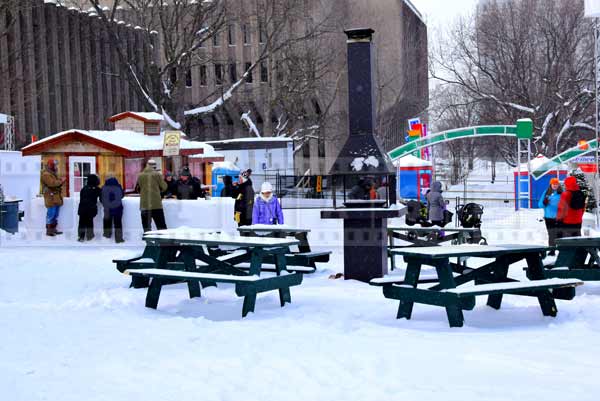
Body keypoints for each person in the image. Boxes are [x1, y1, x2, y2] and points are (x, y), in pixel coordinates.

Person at [135, 159, 168, 233]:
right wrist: (158, 192)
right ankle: (165, 244)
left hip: (144, 205)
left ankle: (149, 243)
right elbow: (164, 187)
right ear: (154, 166)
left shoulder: (140, 175)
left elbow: (138, 188)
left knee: (146, 228)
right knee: (161, 226)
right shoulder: (157, 174)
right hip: (156, 205)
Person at [41, 159, 66, 236]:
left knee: (55, 214)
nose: (56, 166)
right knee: (51, 214)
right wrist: (61, 181)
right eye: (54, 165)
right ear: (50, 165)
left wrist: (60, 181)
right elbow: (52, 184)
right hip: (50, 197)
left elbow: (56, 183)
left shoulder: (52, 173)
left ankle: (53, 229)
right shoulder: (46, 174)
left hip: (55, 197)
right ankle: (49, 230)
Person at [538, 177, 562, 255]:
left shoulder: (562, 193)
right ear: (550, 185)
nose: (555, 185)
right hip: (549, 218)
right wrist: (544, 203)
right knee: (551, 234)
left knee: (560, 234)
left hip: (559, 217)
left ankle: (561, 250)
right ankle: (552, 250)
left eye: (556, 184)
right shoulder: (546, 193)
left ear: (558, 185)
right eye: (553, 184)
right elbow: (540, 205)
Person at [77, 174, 101, 242]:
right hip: (90, 209)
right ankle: (89, 236)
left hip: (82, 208)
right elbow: (102, 196)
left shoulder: (84, 188)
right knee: (89, 222)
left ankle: (81, 237)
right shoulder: (96, 189)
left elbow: (81, 197)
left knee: (81, 223)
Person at [101, 176, 125, 243]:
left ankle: (107, 237)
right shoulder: (118, 187)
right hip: (118, 208)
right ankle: (119, 239)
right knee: (118, 224)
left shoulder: (104, 188)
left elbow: (101, 198)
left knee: (107, 222)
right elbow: (122, 195)